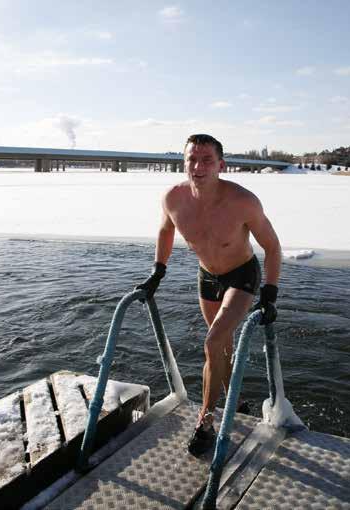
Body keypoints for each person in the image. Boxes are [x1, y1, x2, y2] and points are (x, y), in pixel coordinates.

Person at [136, 133, 282, 456]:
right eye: (192, 159)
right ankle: (237, 401)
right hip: (207, 277)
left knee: (213, 342)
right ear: (184, 162)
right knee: (221, 348)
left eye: (207, 160)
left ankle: (206, 422)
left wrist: (269, 293)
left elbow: (272, 246)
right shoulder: (174, 198)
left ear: (221, 165)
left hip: (242, 276)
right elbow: (165, 230)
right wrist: (157, 272)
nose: (198, 166)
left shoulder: (243, 201)